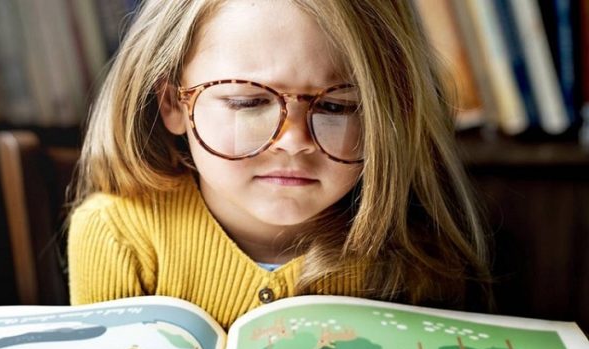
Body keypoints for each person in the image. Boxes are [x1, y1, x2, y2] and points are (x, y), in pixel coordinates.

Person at [67, 0, 493, 330]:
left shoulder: (415, 255)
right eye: (248, 102)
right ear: (171, 104)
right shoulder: (117, 236)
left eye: (336, 106)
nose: (293, 143)